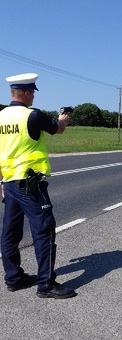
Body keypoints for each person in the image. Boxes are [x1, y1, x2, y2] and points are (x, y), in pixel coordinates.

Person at [0, 73, 76, 299]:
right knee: (43, 231)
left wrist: (2, 181)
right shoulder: (32, 116)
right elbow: (58, 129)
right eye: (32, 91)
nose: (33, 95)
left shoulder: (1, 116)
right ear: (23, 92)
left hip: (10, 183)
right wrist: (63, 118)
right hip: (30, 186)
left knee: (10, 233)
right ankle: (46, 284)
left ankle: (13, 278)